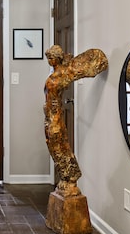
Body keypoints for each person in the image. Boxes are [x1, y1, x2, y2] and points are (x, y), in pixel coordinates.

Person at [43, 45, 108, 197]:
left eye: (51, 58)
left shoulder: (63, 74)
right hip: (50, 116)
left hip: (55, 116)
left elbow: (76, 70)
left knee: (59, 146)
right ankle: (66, 177)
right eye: (48, 58)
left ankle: (71, 176)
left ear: (57, 58)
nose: (49, 61)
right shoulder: (58, 73)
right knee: (54, 145)